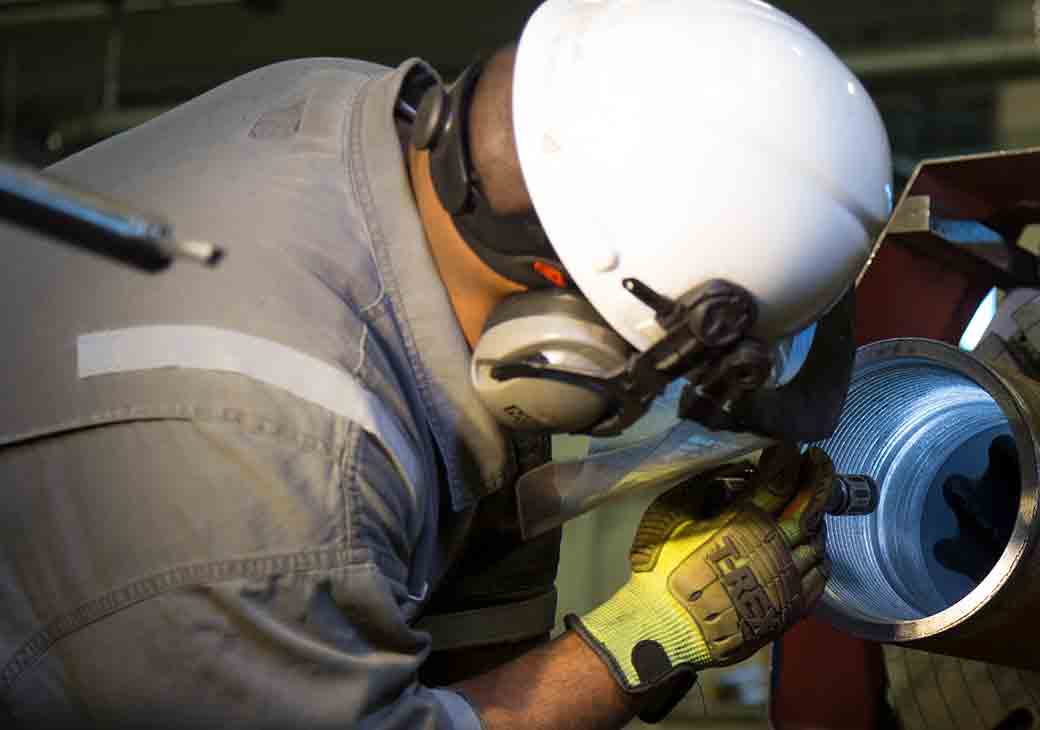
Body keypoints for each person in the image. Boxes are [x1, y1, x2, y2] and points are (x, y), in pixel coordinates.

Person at [0, 0, 891, 728]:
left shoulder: (345, 115)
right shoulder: (279, 479)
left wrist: (517, 549)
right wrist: (643, 642)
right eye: (649, 380)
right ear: (559, 339)